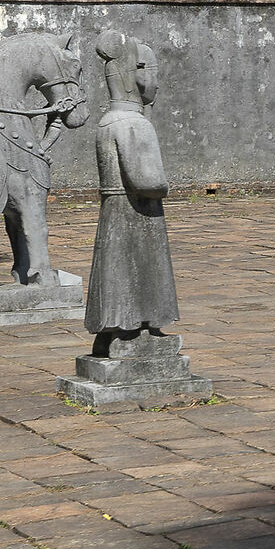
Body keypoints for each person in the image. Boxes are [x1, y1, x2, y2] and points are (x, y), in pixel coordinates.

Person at [82, 32, 181, 348]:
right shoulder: (135, 124)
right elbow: (147, 181)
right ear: (134, 74)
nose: (156, 82)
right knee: (138, 271)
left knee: (118, 271)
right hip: (136, 214)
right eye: (152, 71)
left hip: (116, 211)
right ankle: (135, 328)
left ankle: (120, 328)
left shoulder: (110, 120)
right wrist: (164, 186)